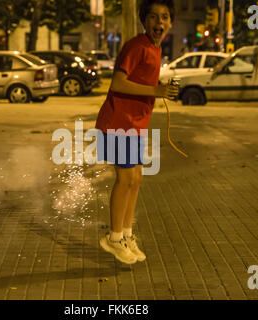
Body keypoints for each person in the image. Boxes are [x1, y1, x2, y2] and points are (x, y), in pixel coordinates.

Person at [95, 0, 178, 264]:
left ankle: (127, 235)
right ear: (145, 21)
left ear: (171, 22)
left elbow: (139, 81)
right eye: (153, 17)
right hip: (118, 121)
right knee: (125, 179)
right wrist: (156, 91)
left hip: (135, 123)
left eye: (164, 17)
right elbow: (118, 82)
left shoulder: (155, 48)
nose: (159, 23)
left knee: (136, 178)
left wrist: (159, 87)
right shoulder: (137, 46)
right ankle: (114, 237)